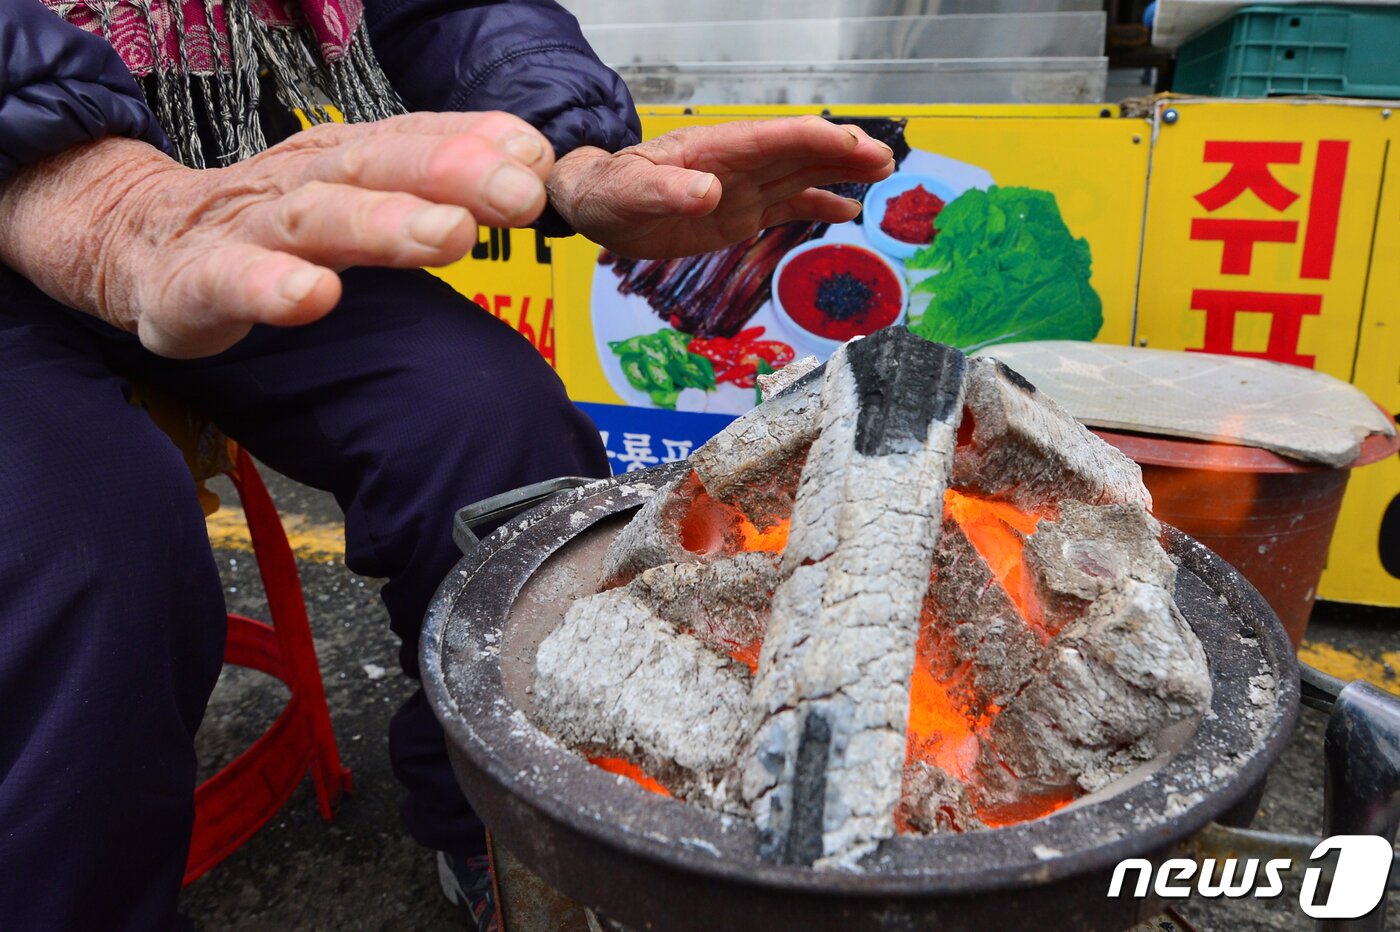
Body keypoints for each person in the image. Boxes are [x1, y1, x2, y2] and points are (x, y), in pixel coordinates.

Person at [0, 0, 893, 929]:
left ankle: (496, 828)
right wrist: (79, 187)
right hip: (58, 201)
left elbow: (447, 13)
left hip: (206, 179)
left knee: (489, 419)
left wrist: (573, 151)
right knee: (79, 542)